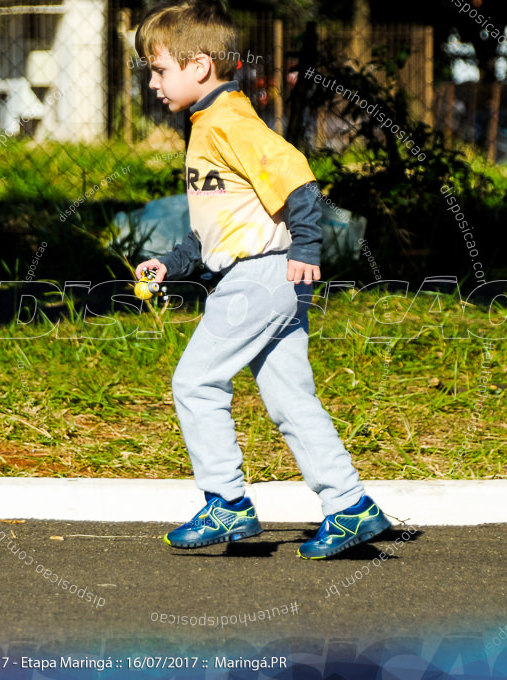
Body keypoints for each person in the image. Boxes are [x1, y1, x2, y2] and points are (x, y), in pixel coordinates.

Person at [133, 0, 392, 559]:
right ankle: (350, 506)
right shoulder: (211, 124)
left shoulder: (229, 122)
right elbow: (219, 227)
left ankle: (226, 502)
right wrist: (171, 264)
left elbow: (296, 174)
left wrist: (307, 246)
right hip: (265, 275)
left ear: (199, 66)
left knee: (195, 383)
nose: (152, 82)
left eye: (158, 69)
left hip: (258, 278)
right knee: (291, 400)